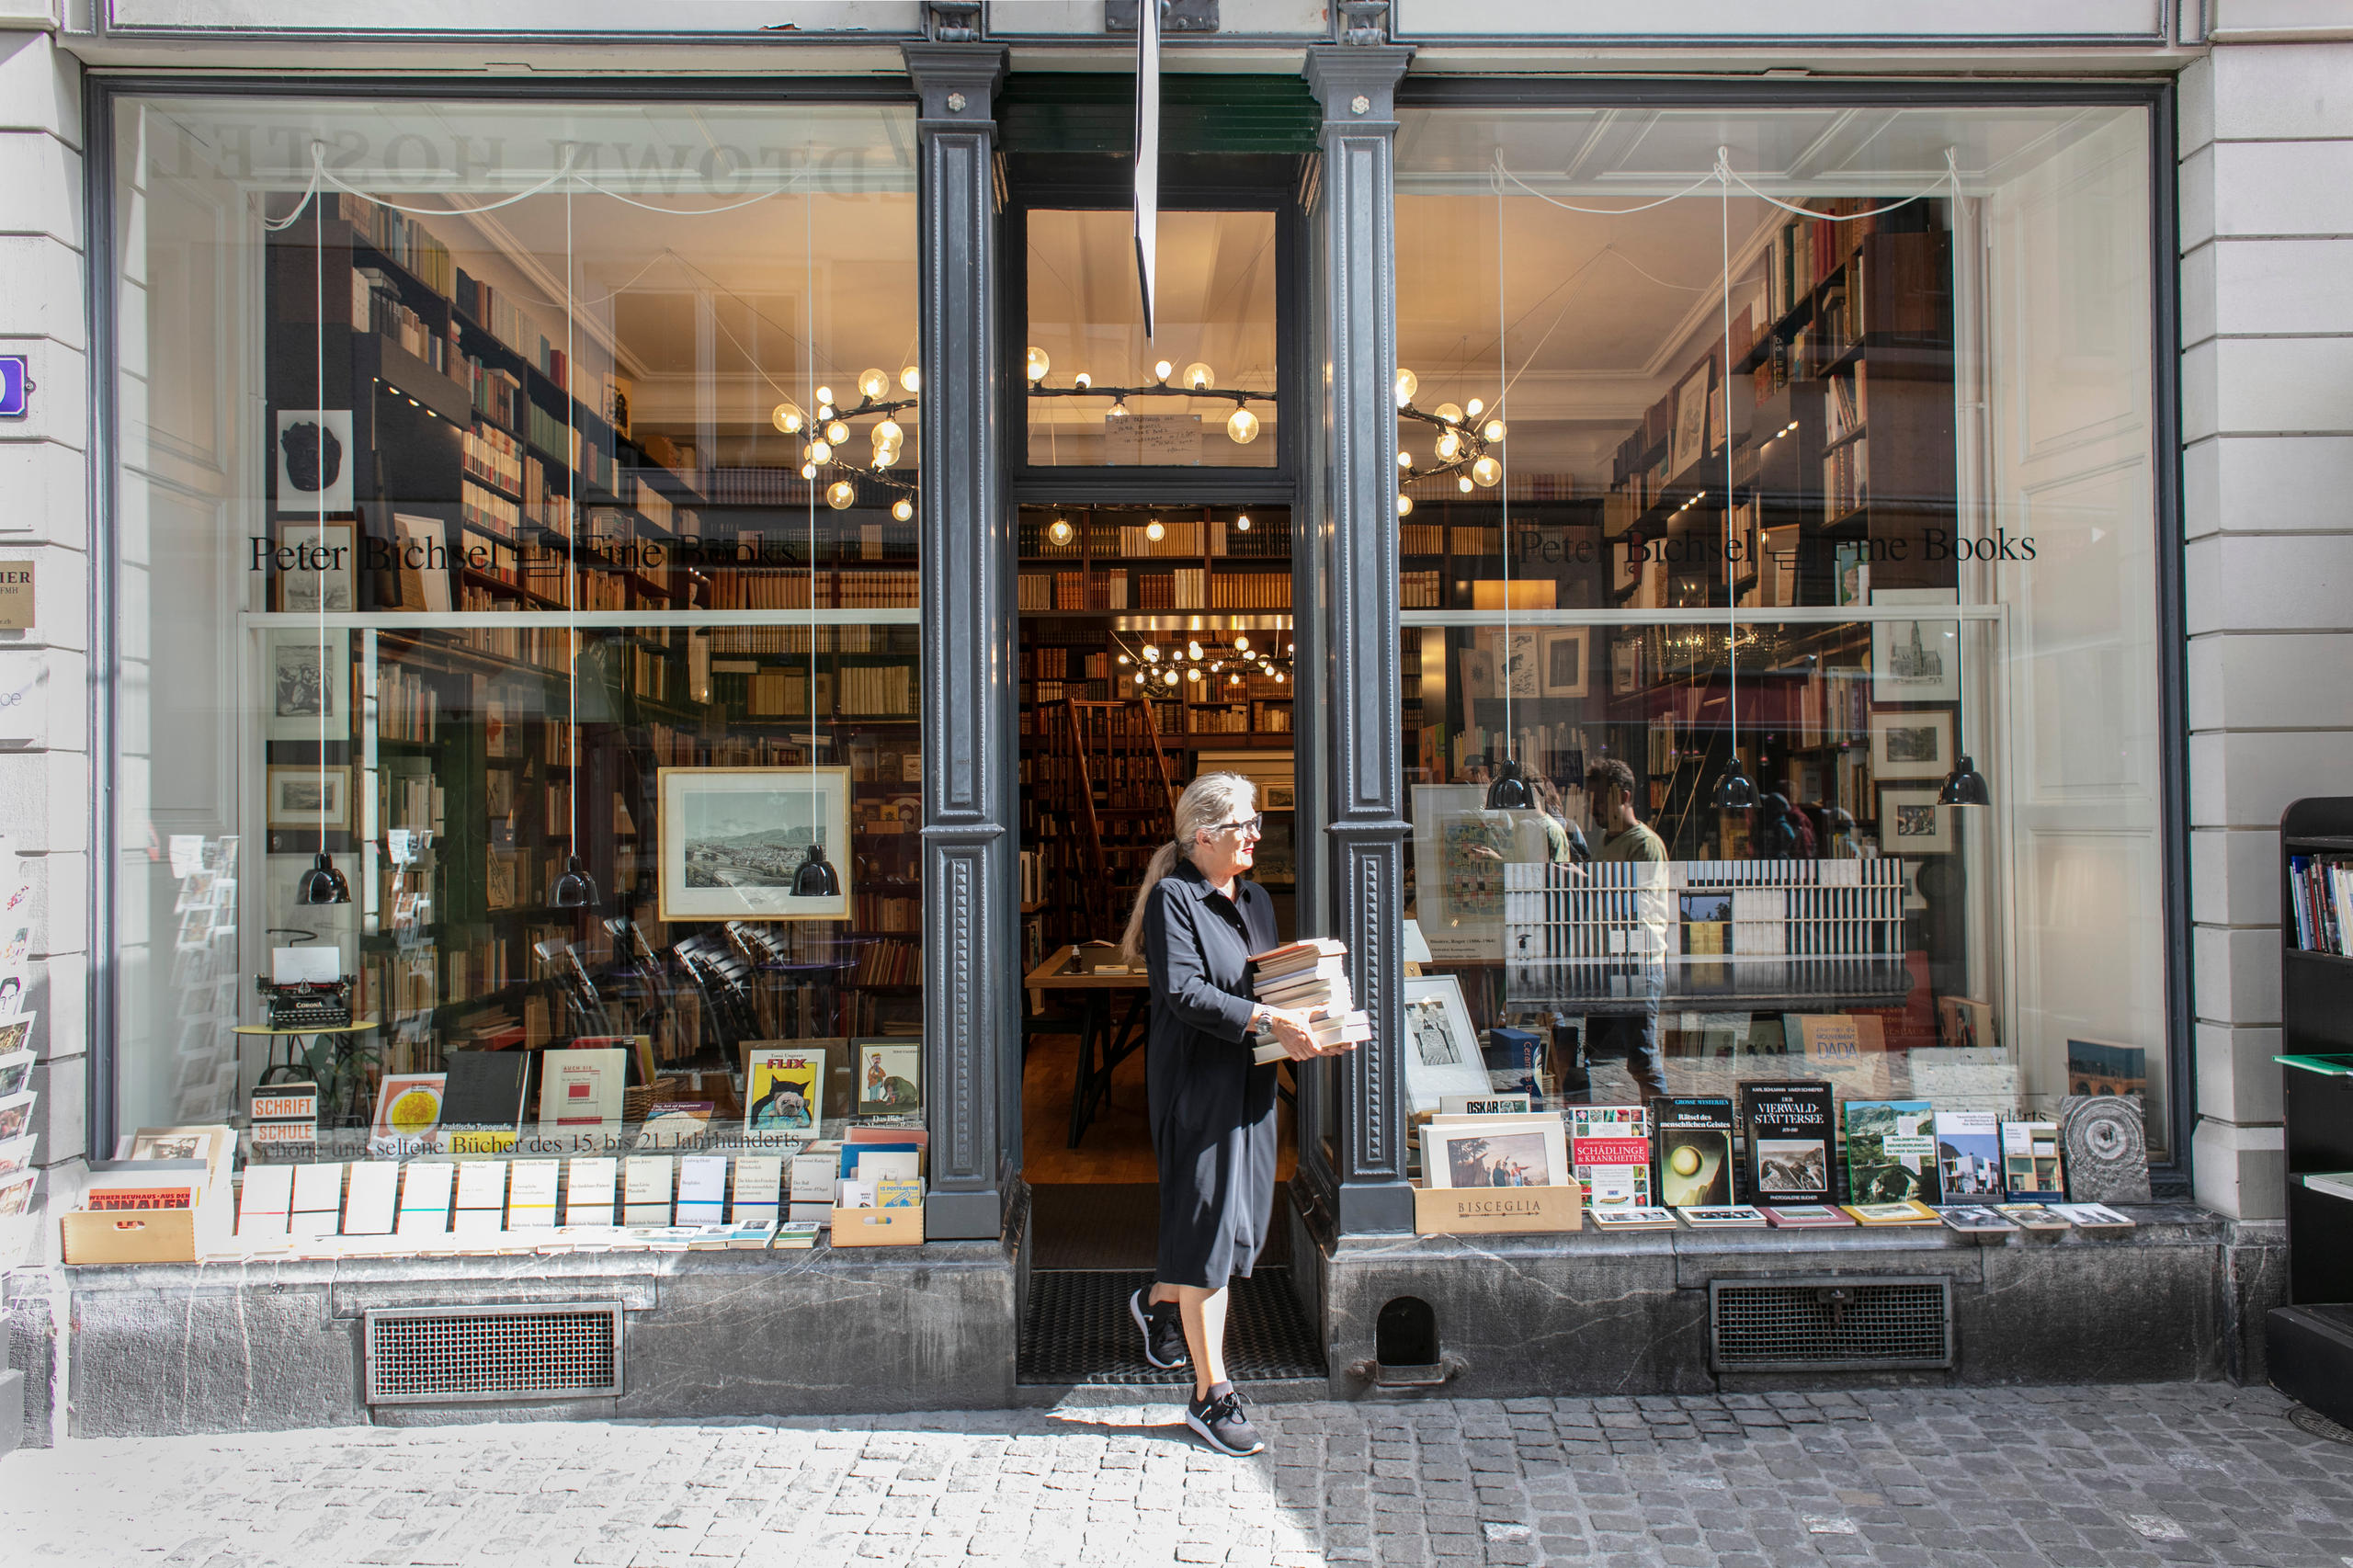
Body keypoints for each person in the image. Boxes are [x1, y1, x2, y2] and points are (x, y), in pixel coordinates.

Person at [1116, 772, 1342, 1457]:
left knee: (1236, 1224)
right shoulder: (1174, 900)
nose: (1256, 833)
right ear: (1202, 835)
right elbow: (1184, 993)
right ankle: (1211, 1395)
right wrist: (1270, 1017)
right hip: (1196, 1091)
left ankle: (1158, 1301)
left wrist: (1311, 1018)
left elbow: (1265, 982)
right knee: (1211, 1234)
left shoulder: (1259, 898)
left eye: (1256, 822)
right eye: (1243, 823)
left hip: (1251, 1084)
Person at [1584, 757, 1668, 1100]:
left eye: (1601, 798)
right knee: (1587, 1050)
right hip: (1609, 959)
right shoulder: (1605, 842)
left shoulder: (1644, 845)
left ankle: (1664, 1125)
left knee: (1642, 1056)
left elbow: (1638, 908)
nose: (1594, 808)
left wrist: (1588, 884)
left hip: (1638, 961)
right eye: (1593, 799)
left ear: (1625, 796)